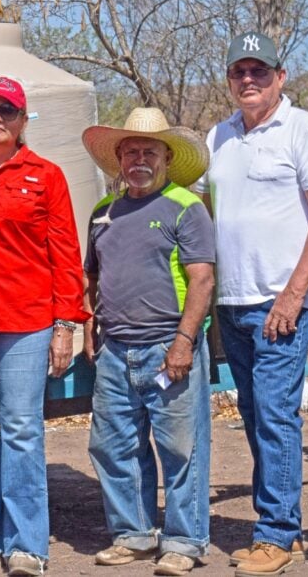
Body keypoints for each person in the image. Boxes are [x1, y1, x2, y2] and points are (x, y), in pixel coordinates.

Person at [0, 77, 88, 576]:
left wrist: (66, 323)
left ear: (24, 120)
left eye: (8, 110)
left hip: (28, 318)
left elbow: (66, 253)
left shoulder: (45, 175)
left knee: (24, 430)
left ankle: (28, 545)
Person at [195, 31, 308, 577]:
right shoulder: (217, 136)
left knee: (274, 415)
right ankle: (284, 526)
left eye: (259, 72)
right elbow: (202, 212)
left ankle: (275, 533)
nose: (248, 81)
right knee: (253, 413)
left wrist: (294, 294)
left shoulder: (305, 130)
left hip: (281, 302)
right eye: (239, 72)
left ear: (280, 78)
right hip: (232, 301)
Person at [81, 108, 215, 576]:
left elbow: (202, 281)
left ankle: (185, 539)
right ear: (119, 158)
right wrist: (89, 329)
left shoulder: (185, 206)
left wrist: (183, 341)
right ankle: (133, 534)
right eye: (131, 151)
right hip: (116, 349)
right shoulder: (104, 213)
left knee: (180, 446)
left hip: (167, 346)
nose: (139, 159)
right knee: (112, 445)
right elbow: (91, 276)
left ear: (166, 157)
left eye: (149, 151)